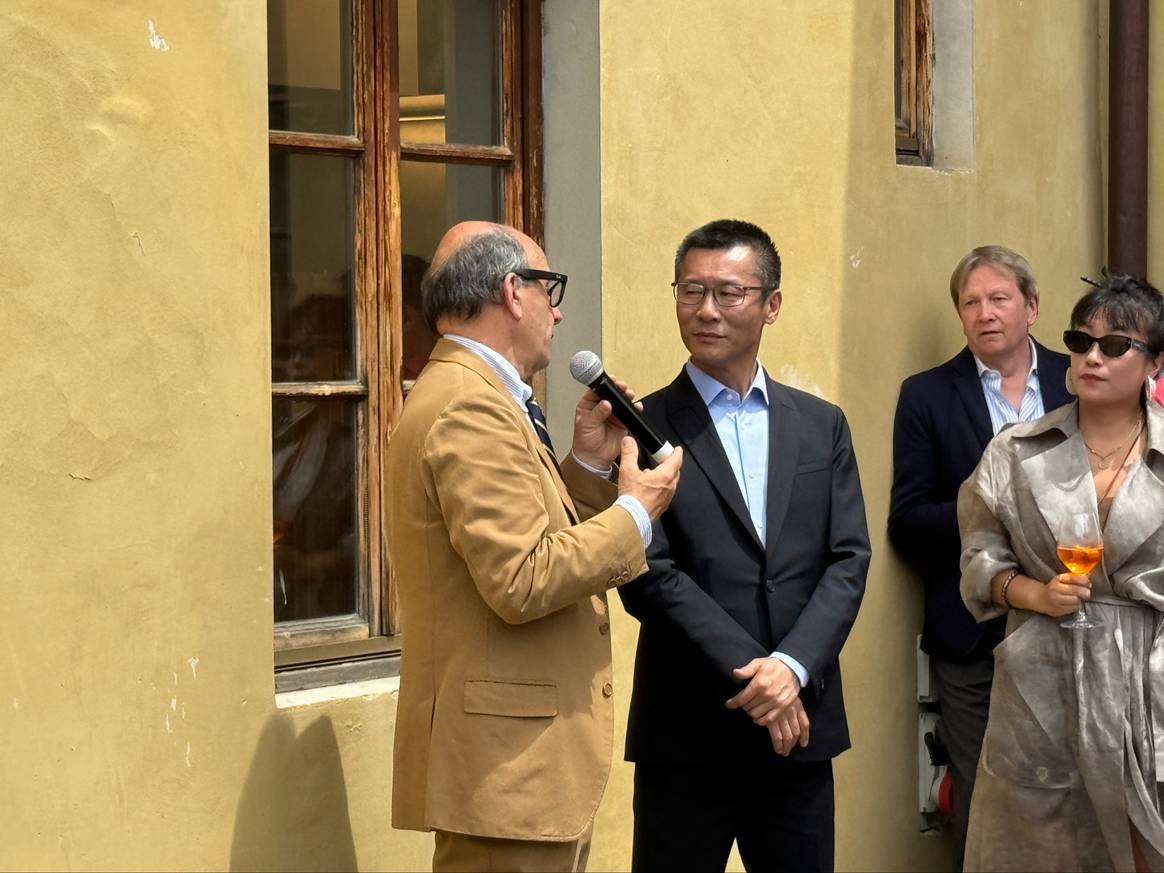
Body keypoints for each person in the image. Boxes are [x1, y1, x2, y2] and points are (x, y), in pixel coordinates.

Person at [385, 221, 683, 873]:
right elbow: (521, 578)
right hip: (507, 764)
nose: (559, 308)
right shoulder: (469, 404)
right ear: (513, 293)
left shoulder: (482, 394)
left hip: (522, 764)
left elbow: (529, 535)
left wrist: (587, 464)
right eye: (552, 288)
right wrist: (638, 509)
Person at [618, 219, 870, 872]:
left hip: (799, 733)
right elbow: (647, 571)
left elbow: (848, 560)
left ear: (771, 305)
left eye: (728, 292)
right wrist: (760, 674)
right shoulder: (643, 425)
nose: (706, 309)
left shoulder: (821, 425)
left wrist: (793, 668)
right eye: (691, 290)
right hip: (687, 732)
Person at [958, 273, 1164, 871]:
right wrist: (1034, 594)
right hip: (1044, 676)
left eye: (1116, 345)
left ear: (1154, 362)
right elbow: (978, 561)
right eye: (1080, 341)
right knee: (1037, 846)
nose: (1092, 357)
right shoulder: (1015, 450)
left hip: (1149, 679)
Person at [888, 245, 1071, 861]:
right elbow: (908, 522)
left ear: (1032, 307)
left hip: (1074, 628)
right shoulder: (927, 395)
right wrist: (998, 513)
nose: (985, 313)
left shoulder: (1080, 379)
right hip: (972, 638)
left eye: (999, 299)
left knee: (1073, 794)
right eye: (971, 302)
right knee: (986, 804)